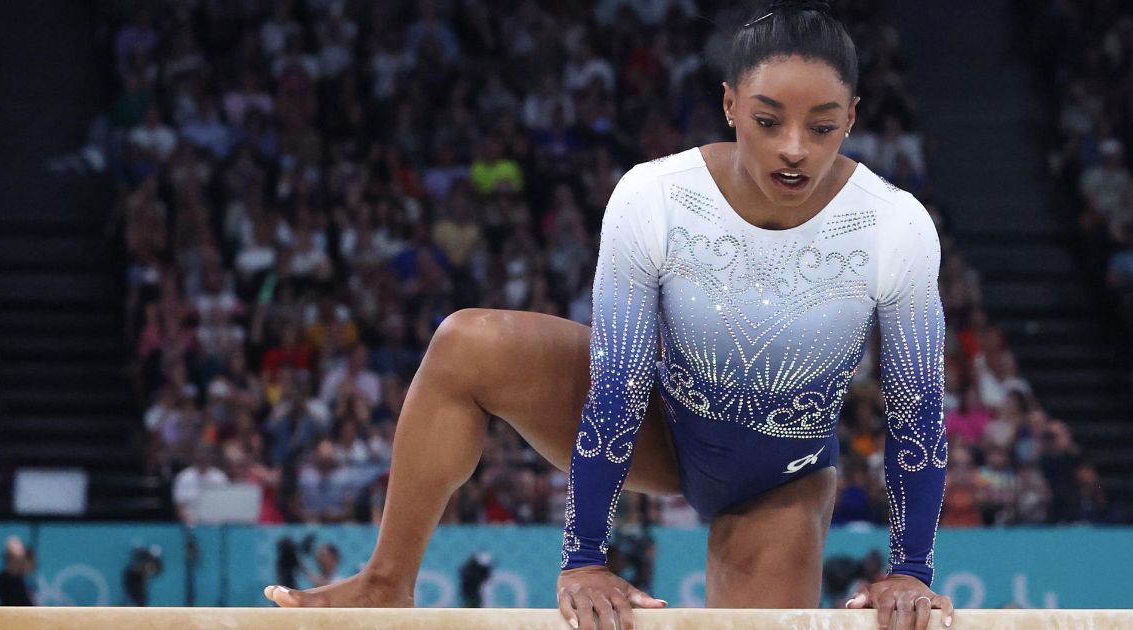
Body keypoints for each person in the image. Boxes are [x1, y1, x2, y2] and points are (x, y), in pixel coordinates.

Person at [264, 2, 954, 629]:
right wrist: (583, 556)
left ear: (853, 118)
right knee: (466, 344)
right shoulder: (656, 197)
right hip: (663, 423)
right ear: (731, 104)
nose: (795, 148)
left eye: (823, 125)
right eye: (769, 121)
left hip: (783, 476)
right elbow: (617, 382)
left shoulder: (892, 226)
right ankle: (386, 581)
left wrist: (911, 572)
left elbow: (915, 413)